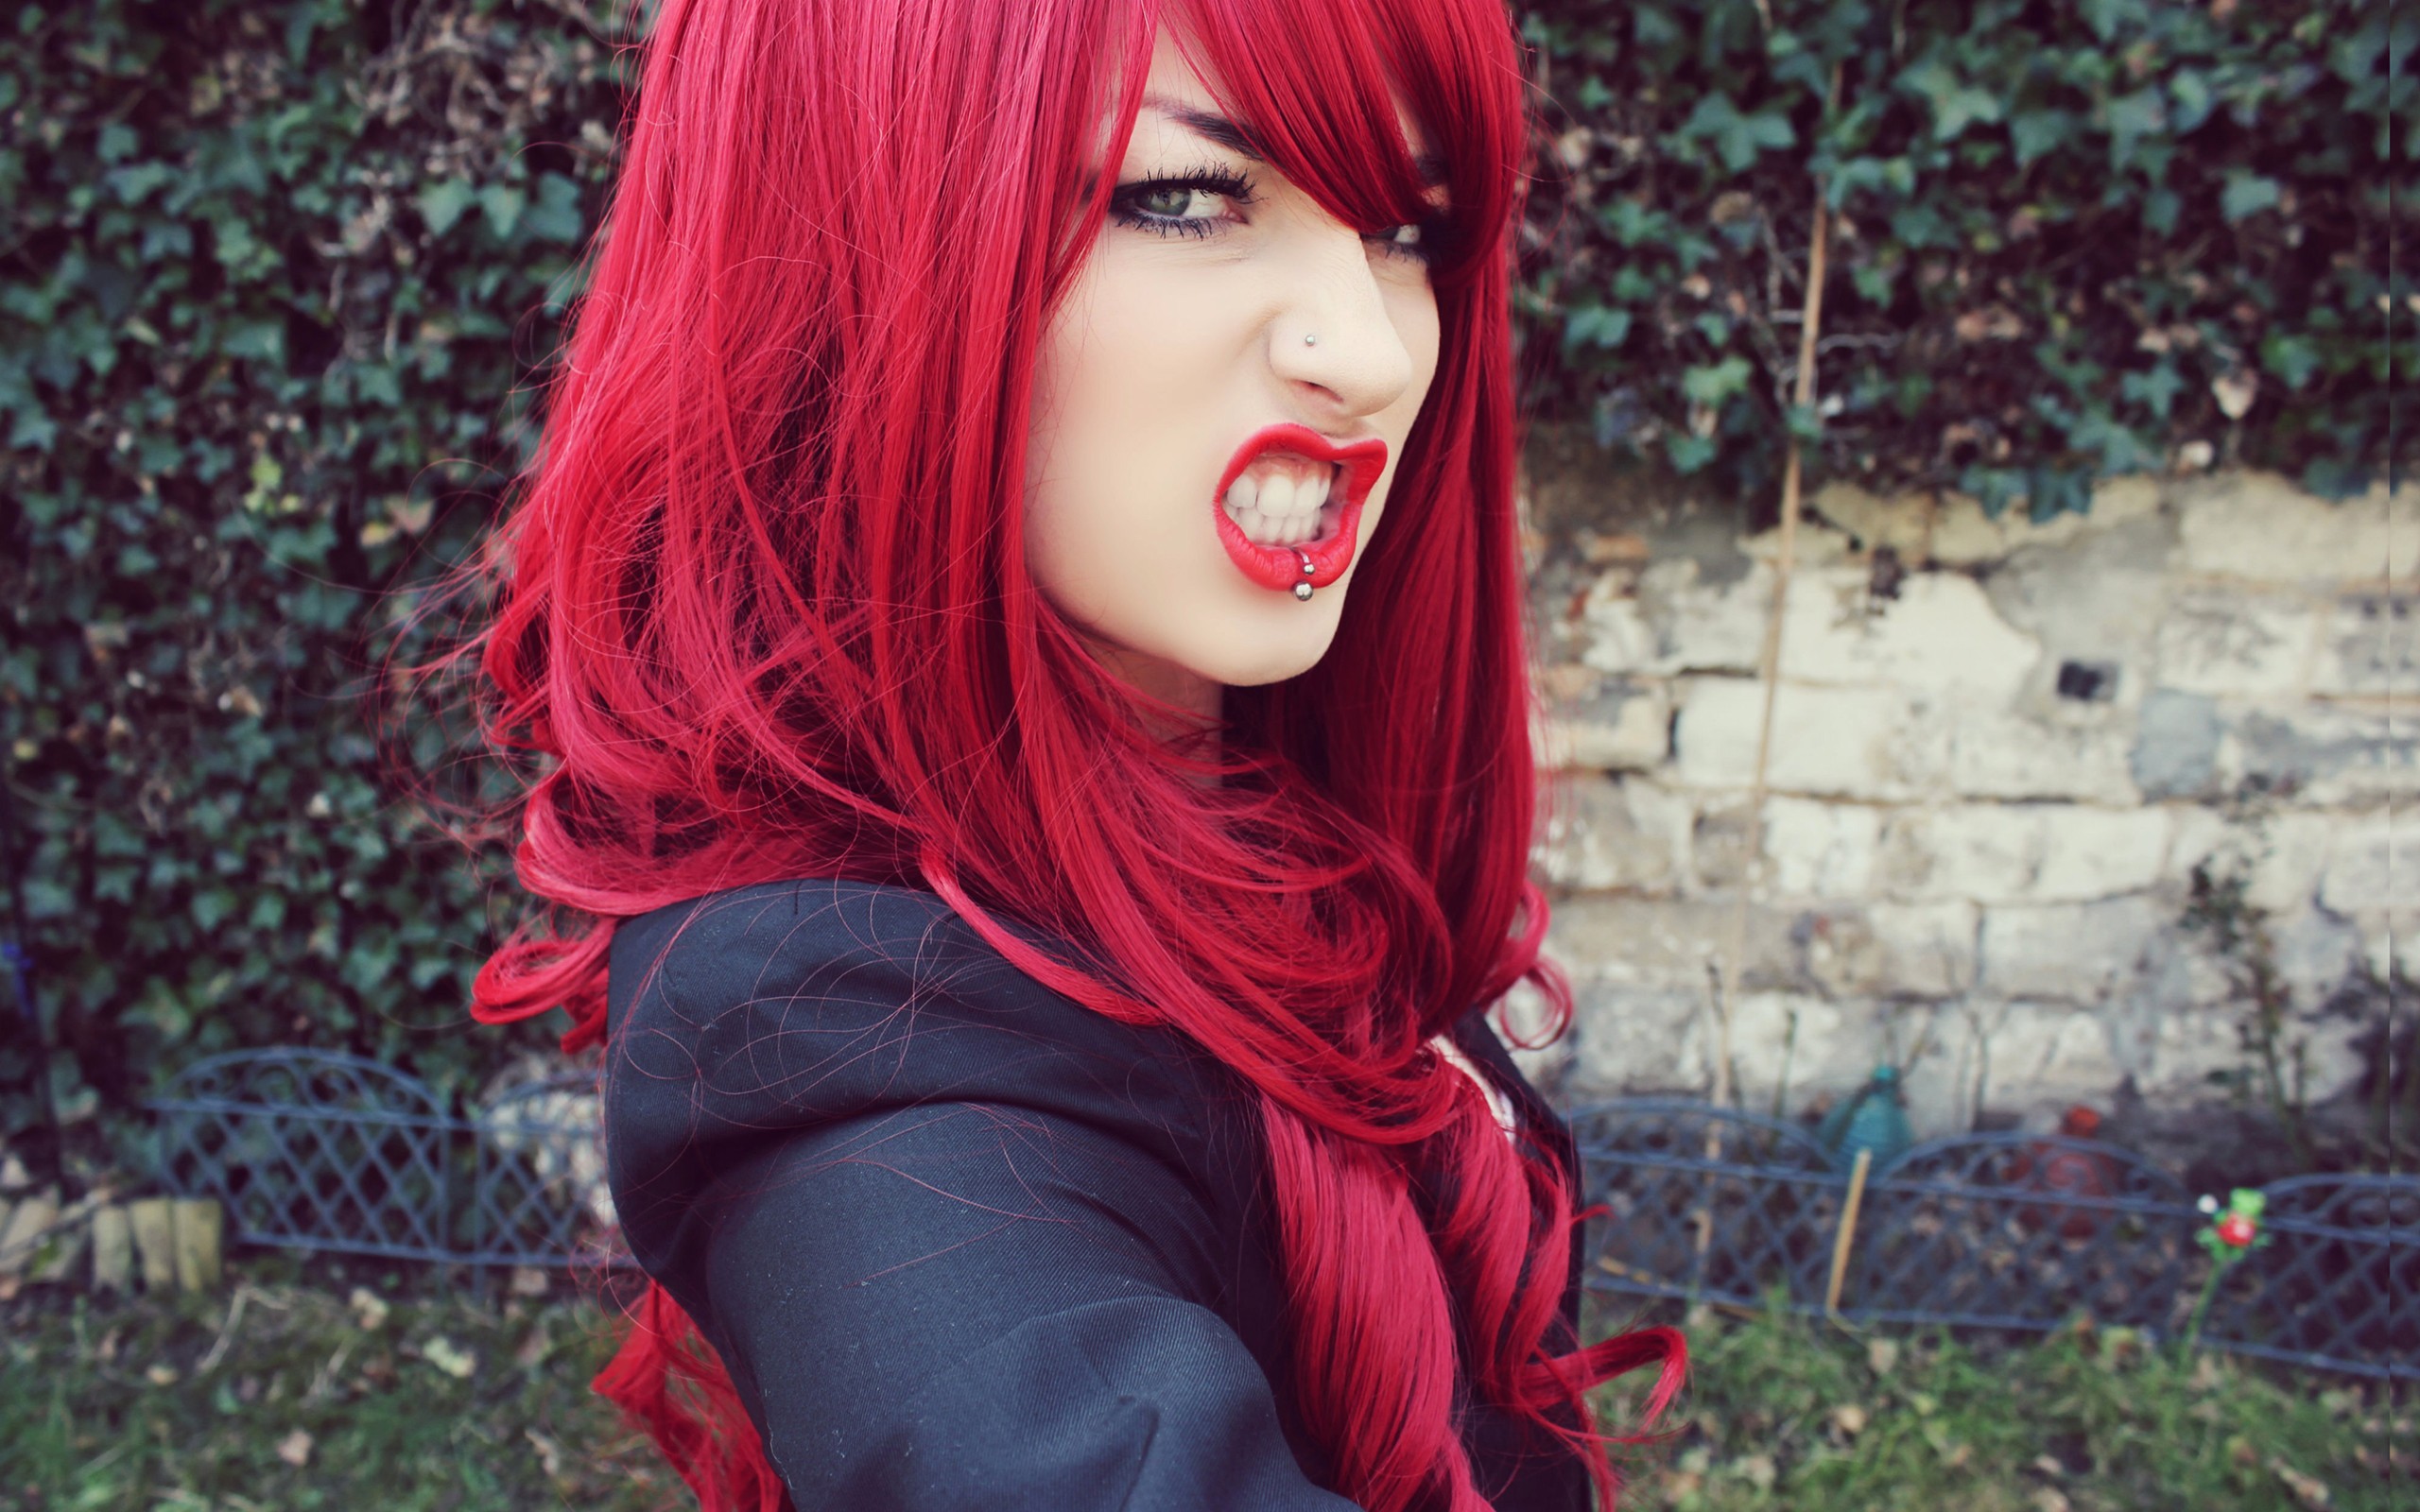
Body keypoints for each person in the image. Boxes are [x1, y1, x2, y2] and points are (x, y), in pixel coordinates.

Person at [466, 0, 1685, 1506]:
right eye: (1185, 198)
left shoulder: (1259, 802)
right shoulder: (850, 1054)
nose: (1369, 351)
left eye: (1403, 228)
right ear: (856, 250)